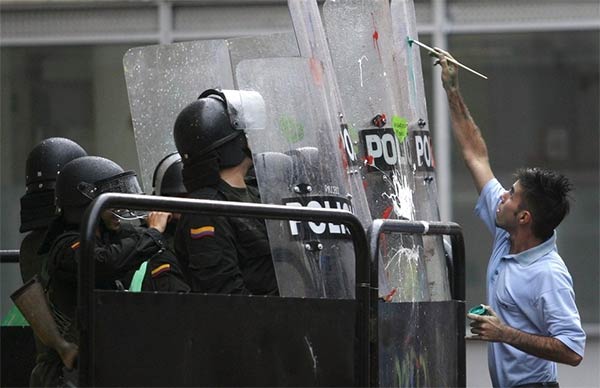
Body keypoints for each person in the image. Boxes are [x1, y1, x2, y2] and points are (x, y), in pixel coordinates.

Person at [436, 49, 586, 387]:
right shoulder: (508, 233)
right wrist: (452, 90)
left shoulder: (548, 274)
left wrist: (505, 333)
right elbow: (475, 154)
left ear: (524, 217)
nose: (501, 196)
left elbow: (574, 350)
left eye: (511, 195)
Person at [32, 156, 172, 386]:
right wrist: (153, 233)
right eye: (111, 204)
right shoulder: (67, 246)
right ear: (87, 204)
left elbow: (125, 246)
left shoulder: (104, 238)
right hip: (68, 374)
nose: (119, 211)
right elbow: (105, 262)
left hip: (98, 362)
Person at [173, 88, 278, 295]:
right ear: (232, 143)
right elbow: (226, 297)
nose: (252, 137)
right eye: (244, 133)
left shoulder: (259, 194)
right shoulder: (207, 210)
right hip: (264, 323)